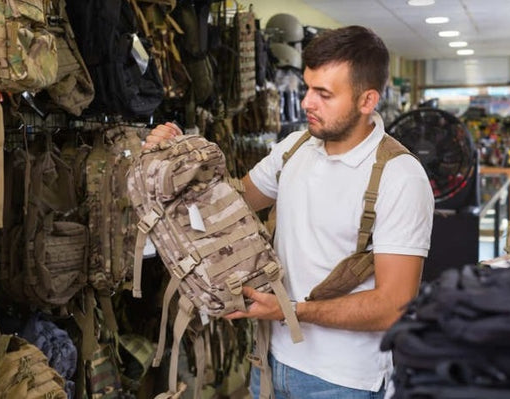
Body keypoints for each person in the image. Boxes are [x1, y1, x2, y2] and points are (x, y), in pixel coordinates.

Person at [145, 25, 434, 399]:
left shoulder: (400, 177)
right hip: (270, 361)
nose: (306, 103)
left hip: (342, 381)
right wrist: (174, 153)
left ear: (367, 101)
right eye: (308, 87)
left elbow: (393, 305)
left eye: (324, 94)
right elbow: (228, 206)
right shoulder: (295, 148)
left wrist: (290, 310)